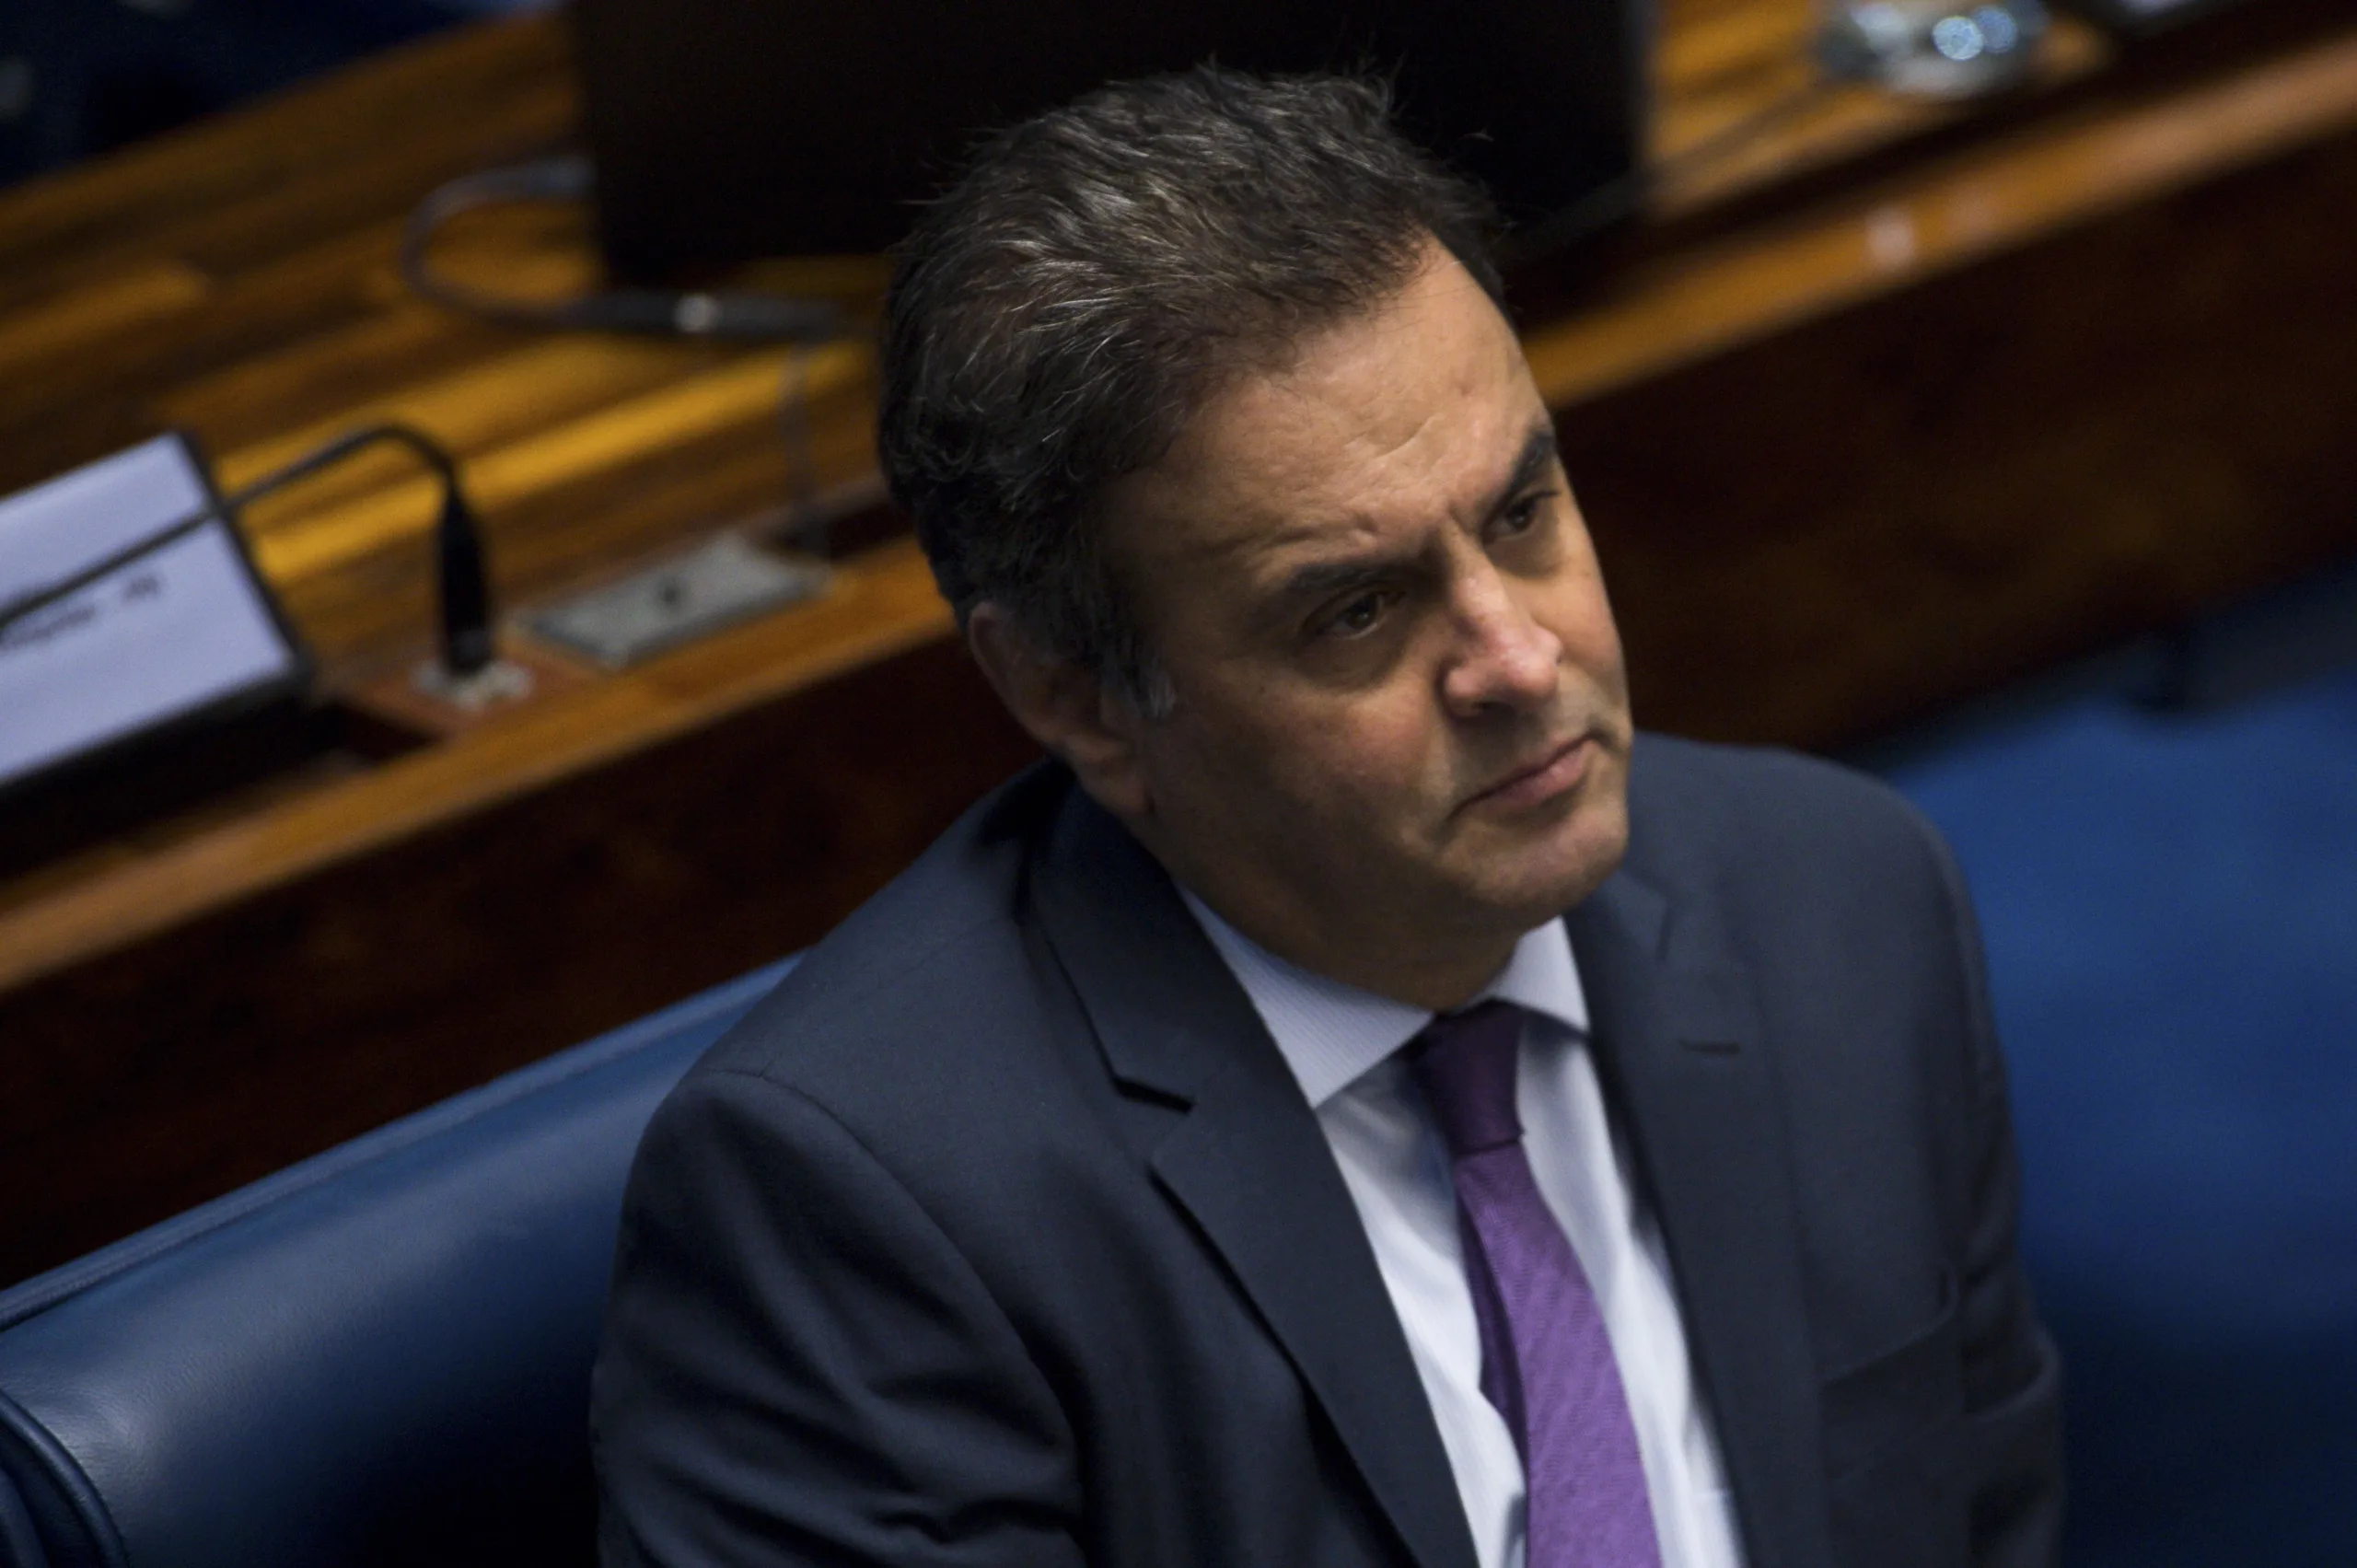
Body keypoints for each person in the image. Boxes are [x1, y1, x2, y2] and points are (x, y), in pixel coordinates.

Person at [590, 66, 2063, 1568]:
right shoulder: (875, 1218)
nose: (1519, 655)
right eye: (1355, 610)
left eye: (1520, 514)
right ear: (1079, 696)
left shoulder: (1844, 905)